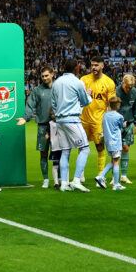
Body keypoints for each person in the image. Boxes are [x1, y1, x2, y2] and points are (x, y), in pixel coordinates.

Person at [52, 59, 92, 192]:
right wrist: (89, 95)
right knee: (85, 148)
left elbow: (53, 103)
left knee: (65, 151)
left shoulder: (56, 82)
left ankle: (64, 183)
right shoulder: (77, 82)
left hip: (60, 120)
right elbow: (85, 102)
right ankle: (75, 180)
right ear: (76, 68)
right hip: (72, 120)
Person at [17, 67, 55, 187]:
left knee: (57, 154)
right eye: (43, 76)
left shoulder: (59, 88)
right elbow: (30, 105)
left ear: (52, 74)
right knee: (43, 153)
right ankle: (46, 179)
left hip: (57, 126)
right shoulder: (37, 91)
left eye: (46, 75)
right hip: (43, 126)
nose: (44, 78)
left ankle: (59, 179)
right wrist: (26, 117)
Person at [80, 56, 115, 186]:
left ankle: (101, 176)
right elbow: (77, 97)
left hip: (99, 121)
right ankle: (80, 174)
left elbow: (111, 104)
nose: (93, 67)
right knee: (81, 146)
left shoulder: (109, 82)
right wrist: (84, 94)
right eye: (92, 65)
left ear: (102, 66)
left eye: (96, 65)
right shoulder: (84, 80)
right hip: (83, 119)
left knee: (100, 147)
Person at [115, 74, 136, 184]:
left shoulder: (134, 92)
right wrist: (119, 122)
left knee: (126, 148)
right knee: (115, 151)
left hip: (130, 123)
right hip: (117, 124)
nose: (128, 89)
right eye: (127, 87)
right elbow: (112, 109)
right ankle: (114, 177)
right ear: (123, 82)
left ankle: (124, 176)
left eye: (131, 88)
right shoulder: (116, 92)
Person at [96, 97, 126, 191]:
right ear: (118, 105)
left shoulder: (105, 115)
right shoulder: (119, 116)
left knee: (113, 161)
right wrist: (124, 124)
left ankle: (101, 176)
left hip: (108, 141)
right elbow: (122, 126)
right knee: (116, 161)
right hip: (116, 141)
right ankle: (116, 184)